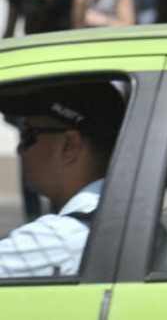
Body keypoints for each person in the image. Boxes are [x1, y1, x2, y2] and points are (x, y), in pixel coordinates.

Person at [0, 82, 125, 277]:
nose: (20, 150)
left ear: (69, 146)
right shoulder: (128, 221)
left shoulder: (57, 240)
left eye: (28, 135)